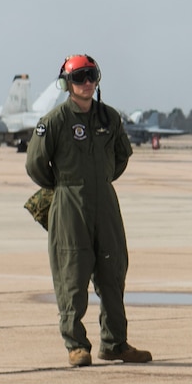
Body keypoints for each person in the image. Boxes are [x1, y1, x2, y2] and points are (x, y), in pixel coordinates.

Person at [25, 54, 151, 367]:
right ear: (68, 83)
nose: (87, 82)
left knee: (113, 271)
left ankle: (115, 343)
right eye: (80, 77)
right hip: (69, 204)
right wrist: (66, 187)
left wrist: (99, 181)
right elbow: (35, 165)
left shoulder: (110, 118)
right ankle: (76, 345)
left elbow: (122, 156)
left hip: (105, 203)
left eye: (91, 75)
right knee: (72, 274)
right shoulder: (54, 121)